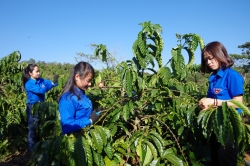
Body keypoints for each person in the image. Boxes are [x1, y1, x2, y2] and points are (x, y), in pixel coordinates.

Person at [198, 41, 244, 166]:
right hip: (215, 124)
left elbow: (238, 103)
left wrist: (213, 101)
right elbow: (212, 100)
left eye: (211, 58)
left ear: (220, 55)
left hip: (228, 125)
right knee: (216, 159)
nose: (208, 62)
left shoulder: (232, 76)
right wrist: (205, 103)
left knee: (226, 160)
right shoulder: (213, 77)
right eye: (206, 60)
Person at [22, 64, 58, 156]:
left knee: (40, 128)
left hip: (41, 107)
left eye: (39, 71)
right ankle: (32, 153)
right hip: (32, 107)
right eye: (36, 71)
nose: (39, 73)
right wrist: (46, 86)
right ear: (30, 73)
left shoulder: (40, 80)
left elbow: (51, 83)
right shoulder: (29, 84)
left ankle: (38, 150)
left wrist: (52, 83)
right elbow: (41, 90)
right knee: (32, 130)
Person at [58, 61, 102, 135]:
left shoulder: (83, 94)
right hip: (77, 141)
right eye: (88, 80)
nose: (90, 84)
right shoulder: (68, 99)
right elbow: (67, 127)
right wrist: (90, 121)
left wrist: (96, 112)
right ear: (77, 77)